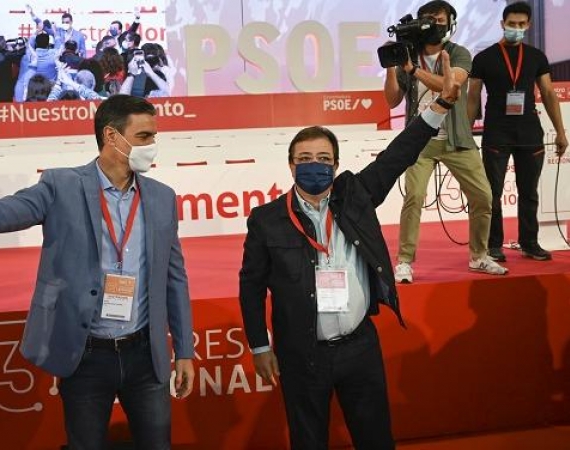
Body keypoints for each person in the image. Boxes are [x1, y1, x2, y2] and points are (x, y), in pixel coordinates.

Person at [0, 94, 195, 449]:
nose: (153, 146)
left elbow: (174, 279)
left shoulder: (163, 197)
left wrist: (184, 350)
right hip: (85, 355)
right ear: (112, 137)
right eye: (144, 137)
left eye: (154, 137)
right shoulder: (60, 186)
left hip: (145, 356)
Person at [239, 50, 459, 450]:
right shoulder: (267, 218)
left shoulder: (355, 194)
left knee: (375, 439)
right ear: (290, 166)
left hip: (359, 346)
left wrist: (441, 104)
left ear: (337, 164)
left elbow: (400, 154)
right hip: (301, 351)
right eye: (304, 159)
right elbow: (251, 286)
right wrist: (259, 345)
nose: (314, 165)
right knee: (308, 442)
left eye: (323, 158)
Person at [383, 0, 506, 283]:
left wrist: (414, 70)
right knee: (413, 198)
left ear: (450, 23)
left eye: (438, 19)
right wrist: (392, 63)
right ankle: (404, 261)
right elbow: (392, 101)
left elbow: (452, 86)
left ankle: (479, 256)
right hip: (419, 141)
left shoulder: (458, 53)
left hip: (457, 138)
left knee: (483, 197)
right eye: (426, 18)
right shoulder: (409, 55)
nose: (431, 24)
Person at [467, 1, 568, 262]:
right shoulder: (483, 57)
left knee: (529, 192)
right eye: (512, 24)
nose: (516, 28)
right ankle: (494, 244)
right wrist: (465, 134)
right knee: (493, 193)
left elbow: (547, 94)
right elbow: (472, 98)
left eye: (522, 24)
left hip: (530, 134)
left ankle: (529, 242)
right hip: (496, 134)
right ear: (502, 24)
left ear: (529, 25)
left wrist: (560, 131)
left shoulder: (536, 56)